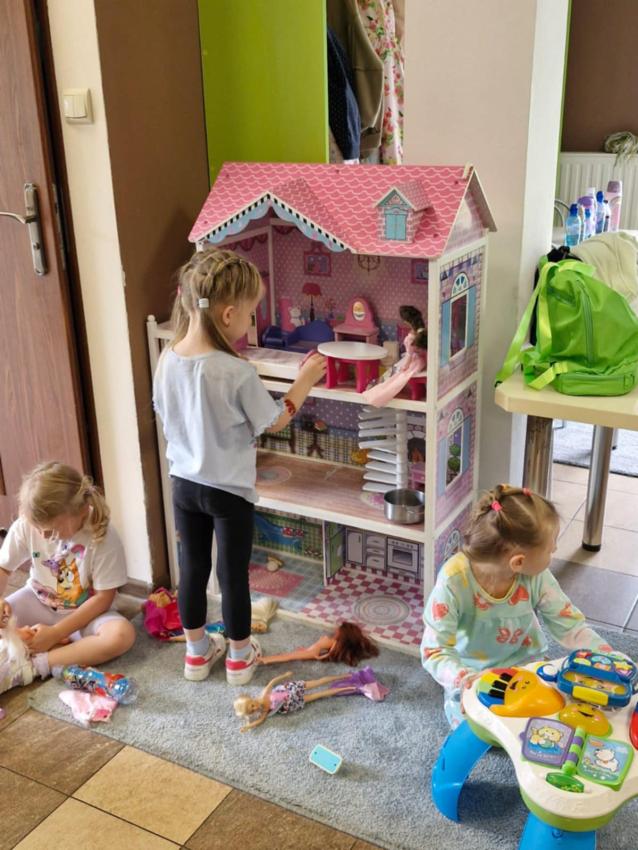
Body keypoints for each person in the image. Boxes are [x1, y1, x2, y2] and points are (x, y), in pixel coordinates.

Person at [153, 248, 326, 685]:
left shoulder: (167, 357)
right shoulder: (236, 372)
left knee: (193, 569)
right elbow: (275, 419)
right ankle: (239, 658)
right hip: (228, 491)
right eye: (250, 314)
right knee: (232, 576)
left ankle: (196, 654)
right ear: (228, 315)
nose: (251, 322)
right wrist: (304, 379)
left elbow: (167, 410)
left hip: (183, 483)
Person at [421, 484, 614, 728]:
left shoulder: (537, 578)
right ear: (518, 563)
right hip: (474, 672)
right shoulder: (453, 581)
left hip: (527, 666)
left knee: (557, 715)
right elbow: (434, 651)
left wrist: (608, 658)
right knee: (475, 726)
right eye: (551, 550)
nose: (554, 552)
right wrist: (465, 679)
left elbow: (570, 626)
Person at [0, 462, 135, 693]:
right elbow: (3, 568)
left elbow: (103, 599)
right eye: (38, 528)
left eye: (51, 530)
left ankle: (35, 665)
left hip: (85, 615)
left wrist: (55, 633)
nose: (43, 535)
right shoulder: (26, 525)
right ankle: (47, 650)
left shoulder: (103, 536)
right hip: (37, 601)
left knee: (122, 635)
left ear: (80, 511)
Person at [362, 305, 427, 406]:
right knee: (394, 370)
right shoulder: (422, 332)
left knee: (396, 373)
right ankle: (378, 383)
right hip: (420, 360)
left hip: (415, 362)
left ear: (407, 321)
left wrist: (405, 366)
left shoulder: (411, 338)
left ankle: (378, 387)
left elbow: (409, 355)